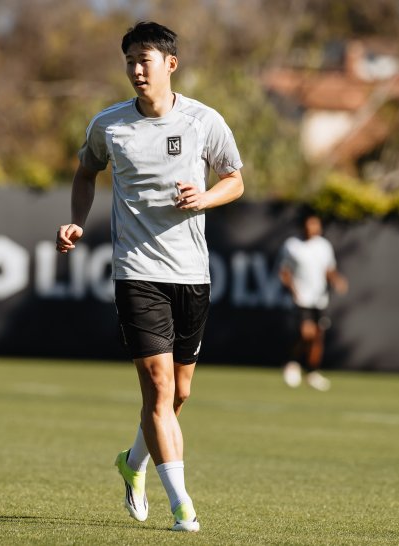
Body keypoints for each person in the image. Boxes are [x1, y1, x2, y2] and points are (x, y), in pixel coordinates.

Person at [55, 21, 244, 532]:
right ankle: (183, 507)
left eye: (145, 60)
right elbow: (85, 171)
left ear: (170, 64)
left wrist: (205, 197)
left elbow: (235, 180)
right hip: (136, 272)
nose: (136, 70)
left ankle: (132, 461)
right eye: (130, 61)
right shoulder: (109, 125)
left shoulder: (204, 120)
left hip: (192, 273)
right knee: (159, 390)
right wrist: (77, 220)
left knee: (179, 395)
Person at [278, 212, 347, 391]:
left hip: (319, 298)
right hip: (302, 298)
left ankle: (312, 372)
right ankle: (292, 363)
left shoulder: (324, 246)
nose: (313, 228)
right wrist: (293, 291)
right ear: (303, 226)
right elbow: (284, 272)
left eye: (316, 225)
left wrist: (336, 280)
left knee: (317, 336)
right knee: (306, 333)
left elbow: (329, 269)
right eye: (310, 224)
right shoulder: (292, 245)